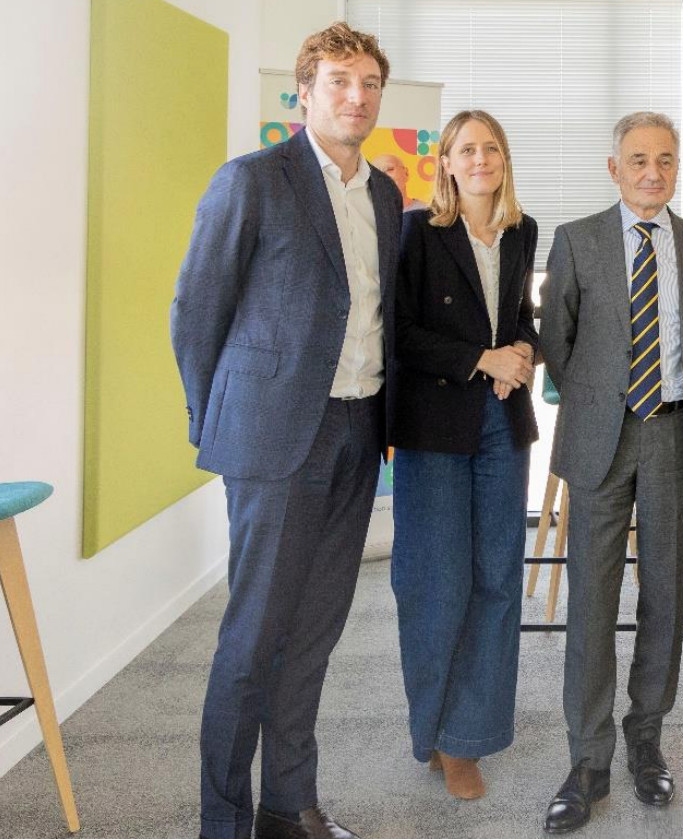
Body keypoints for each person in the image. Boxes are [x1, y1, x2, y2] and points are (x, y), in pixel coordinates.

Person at [170, 23, 400, 839]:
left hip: (357, 430)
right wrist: (224, 423)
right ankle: (222, 822)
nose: (357, 95)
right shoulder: (252, 181)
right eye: (339, 80)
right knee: (253, 636)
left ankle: (287, 803)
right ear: (305, 91)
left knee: (313, 632)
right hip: (274, 443)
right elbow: (197, 313)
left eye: (369, 81)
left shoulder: (384, 196)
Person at [537, 111, 683, 834]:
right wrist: (598, 397)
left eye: (666, 159)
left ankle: (646, 736)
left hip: (673, 435)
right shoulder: (578, 240)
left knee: (665, 598)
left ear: (677, 167)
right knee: (590, 600)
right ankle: (588, 757)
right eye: (639, 159)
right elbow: (557, 337)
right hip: (599, 438)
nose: (654, 172)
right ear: (613, 168)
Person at [388, 110, 539, 801]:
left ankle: (467, 735)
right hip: (434, 426)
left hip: (501, 423)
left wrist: (523, 355)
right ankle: (436, 732)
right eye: (467, 149)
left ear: (504, 160)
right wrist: (481, 357)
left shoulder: (520, 230)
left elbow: (519, 321)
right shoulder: (417, 232)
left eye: (492, 148)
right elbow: (404, 334)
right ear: (445, 161)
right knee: (437, 583)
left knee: (498, 581)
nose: (481, 158)